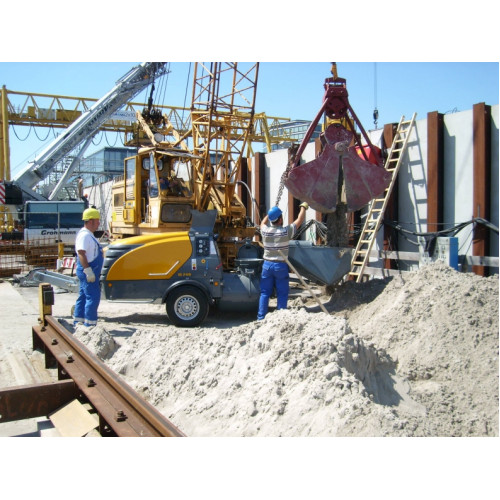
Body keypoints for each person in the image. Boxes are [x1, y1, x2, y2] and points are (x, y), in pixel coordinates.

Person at [257, 202, 308, 320]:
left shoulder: (265, 231)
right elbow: (299, 220)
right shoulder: (285, 232)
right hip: (280, 266)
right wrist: (303, 207)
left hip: (267, 266)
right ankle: (280, 318)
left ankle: (261, 318)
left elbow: (262, 223)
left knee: (264, 293)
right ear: (280, 219)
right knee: (282, 293)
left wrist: (269, 215)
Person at [73, 207, 104, 328]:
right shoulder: (85, 236)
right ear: (90, 221)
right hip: (88, 271)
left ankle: (78, 321)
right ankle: (89, 325)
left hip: (89, 270)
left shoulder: (88, 235)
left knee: (83, 296)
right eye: (97, 221)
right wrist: (88, 271)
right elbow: (81, 253)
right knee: (93, 297)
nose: (99, 224)